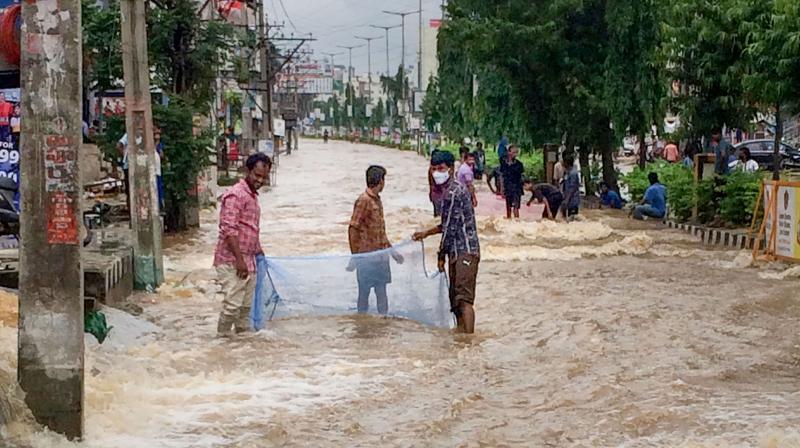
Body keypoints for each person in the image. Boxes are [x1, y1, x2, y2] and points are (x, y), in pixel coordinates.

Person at [413, 151, 480, 334]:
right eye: (433, 169)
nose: (437, 173)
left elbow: (449, 228)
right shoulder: (446, 192)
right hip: (457, 252)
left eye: (440, 168)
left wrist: (440, 256)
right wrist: (426, 233)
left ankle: (468, 341)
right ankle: (461, 338)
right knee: (456, 302)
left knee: (464, 300)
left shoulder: (454, 192)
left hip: (465, 251)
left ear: (450, 169)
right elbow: (447, 223)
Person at [213, 153, 272, 336]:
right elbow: (229, 230)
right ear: (248, 171)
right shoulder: (235, 195)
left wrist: (258, 251)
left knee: (245, 309)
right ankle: (221, 340)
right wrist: (240, 261)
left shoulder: (253, 197)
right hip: (232, 261)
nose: (260, 180)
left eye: (264, 177)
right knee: (232, 306)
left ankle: (241, 347)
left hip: (249, 260)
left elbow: (250, 229)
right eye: (257, 175)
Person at [347, 165, 404, 315]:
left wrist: (393, 252)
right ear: (380, 181)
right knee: (364, 294)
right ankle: (362, 324)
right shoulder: (363, 201)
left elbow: (380, 233)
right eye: (384, 179)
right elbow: (353, 229)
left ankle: (382, 323)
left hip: (381, 257)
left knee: (381, 291)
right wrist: (356, 256)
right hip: (367, 257)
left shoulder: (377, 200)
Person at [499, 145, 524, 219]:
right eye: (514, 152)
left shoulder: (519, 164)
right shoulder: (504, 164)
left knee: (516, 207)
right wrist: (501, 188)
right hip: (507, 187)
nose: (515, 154)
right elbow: (501, 176)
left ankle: (516, 222)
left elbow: (522, 177)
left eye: (516, 152)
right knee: (508, 207)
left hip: (517, 188)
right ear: (509, 152)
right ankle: (509, 220)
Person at [561, 154, 581, 220]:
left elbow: (572, 188)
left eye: (563, 161)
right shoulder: (567, 172)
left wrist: (567, 199)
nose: (562, 163)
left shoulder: (573, 173)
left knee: (573, 220)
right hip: (568, 200)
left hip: (573, 201)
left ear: (567, 162)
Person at [428, 149, 447, 217]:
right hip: (438, 195)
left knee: (438, 214)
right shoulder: (433, 170)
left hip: (436, 194)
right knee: (439, 215)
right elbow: (432, 183)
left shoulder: (432, 169)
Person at [154, 128, 165, 211]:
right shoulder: (151, 145)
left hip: (158, 171)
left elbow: (162, 155)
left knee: (159, 190)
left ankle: (160, 206)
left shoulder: (159, 145)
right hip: (153, 171)